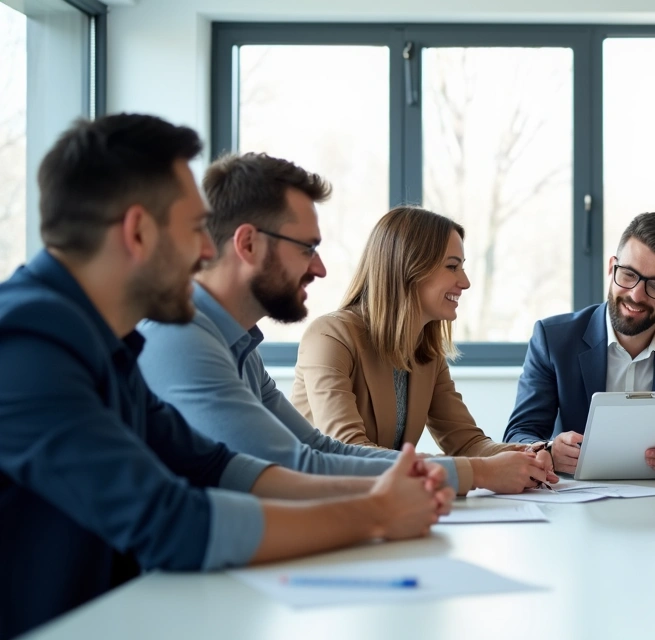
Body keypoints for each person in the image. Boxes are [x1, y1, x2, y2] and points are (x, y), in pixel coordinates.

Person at [0, 114, 451, 640]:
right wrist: (374, 513)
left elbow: (218, 467)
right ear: (138, 232)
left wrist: (391, 489)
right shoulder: (27, 345)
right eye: (195, 229)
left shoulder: (109, 342)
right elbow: (173, 523)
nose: (207, 252)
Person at [137, 152, 464, 487]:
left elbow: (316, 447)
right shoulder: (180, 339)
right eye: (307, 248)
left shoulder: (240, 348)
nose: (319, 269)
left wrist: (453, 470)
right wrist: (461, 473)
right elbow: (299, 465)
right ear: (248, 244)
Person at [291, 206, 556, 495]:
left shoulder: (426, 352)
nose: (465, 282)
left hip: (382, 505)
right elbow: (347, 452)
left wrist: (531, 454)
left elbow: (467, 442)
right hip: (319, 504)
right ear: (409, 269)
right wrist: (480, 472)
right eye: (452, 267)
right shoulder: (330, 336)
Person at [502, 212, 655, 479]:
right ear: (612, 268)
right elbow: (519, 433)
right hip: (573, 500)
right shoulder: (553, 339)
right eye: (628, 274)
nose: (636, 295)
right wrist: (550, 450)